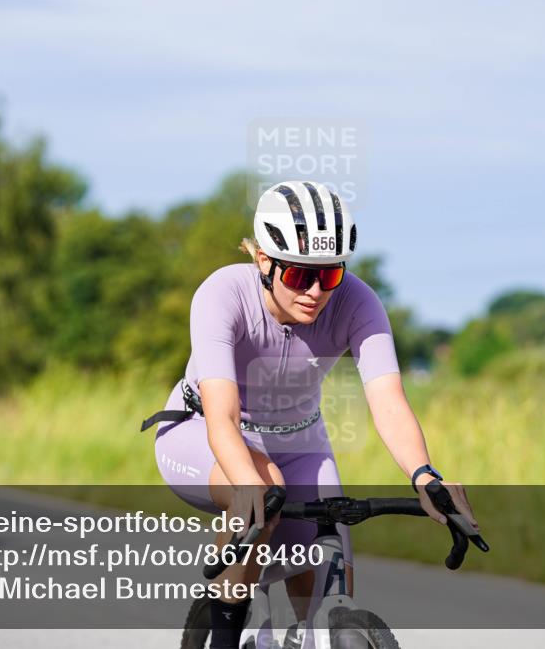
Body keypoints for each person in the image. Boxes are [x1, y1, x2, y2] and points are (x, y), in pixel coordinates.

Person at [144, 180, 478, 648]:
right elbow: (221, 415)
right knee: (264, 497)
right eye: (301, 276)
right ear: (263, 260)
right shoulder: (222, 293)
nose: (317, 292)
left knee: (326, 574)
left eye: (331, 275)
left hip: (300, 441)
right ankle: (221, 634)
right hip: (201, 433)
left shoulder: (358, 302)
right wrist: (247, 484)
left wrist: (425, 476)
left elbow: (388, 400)